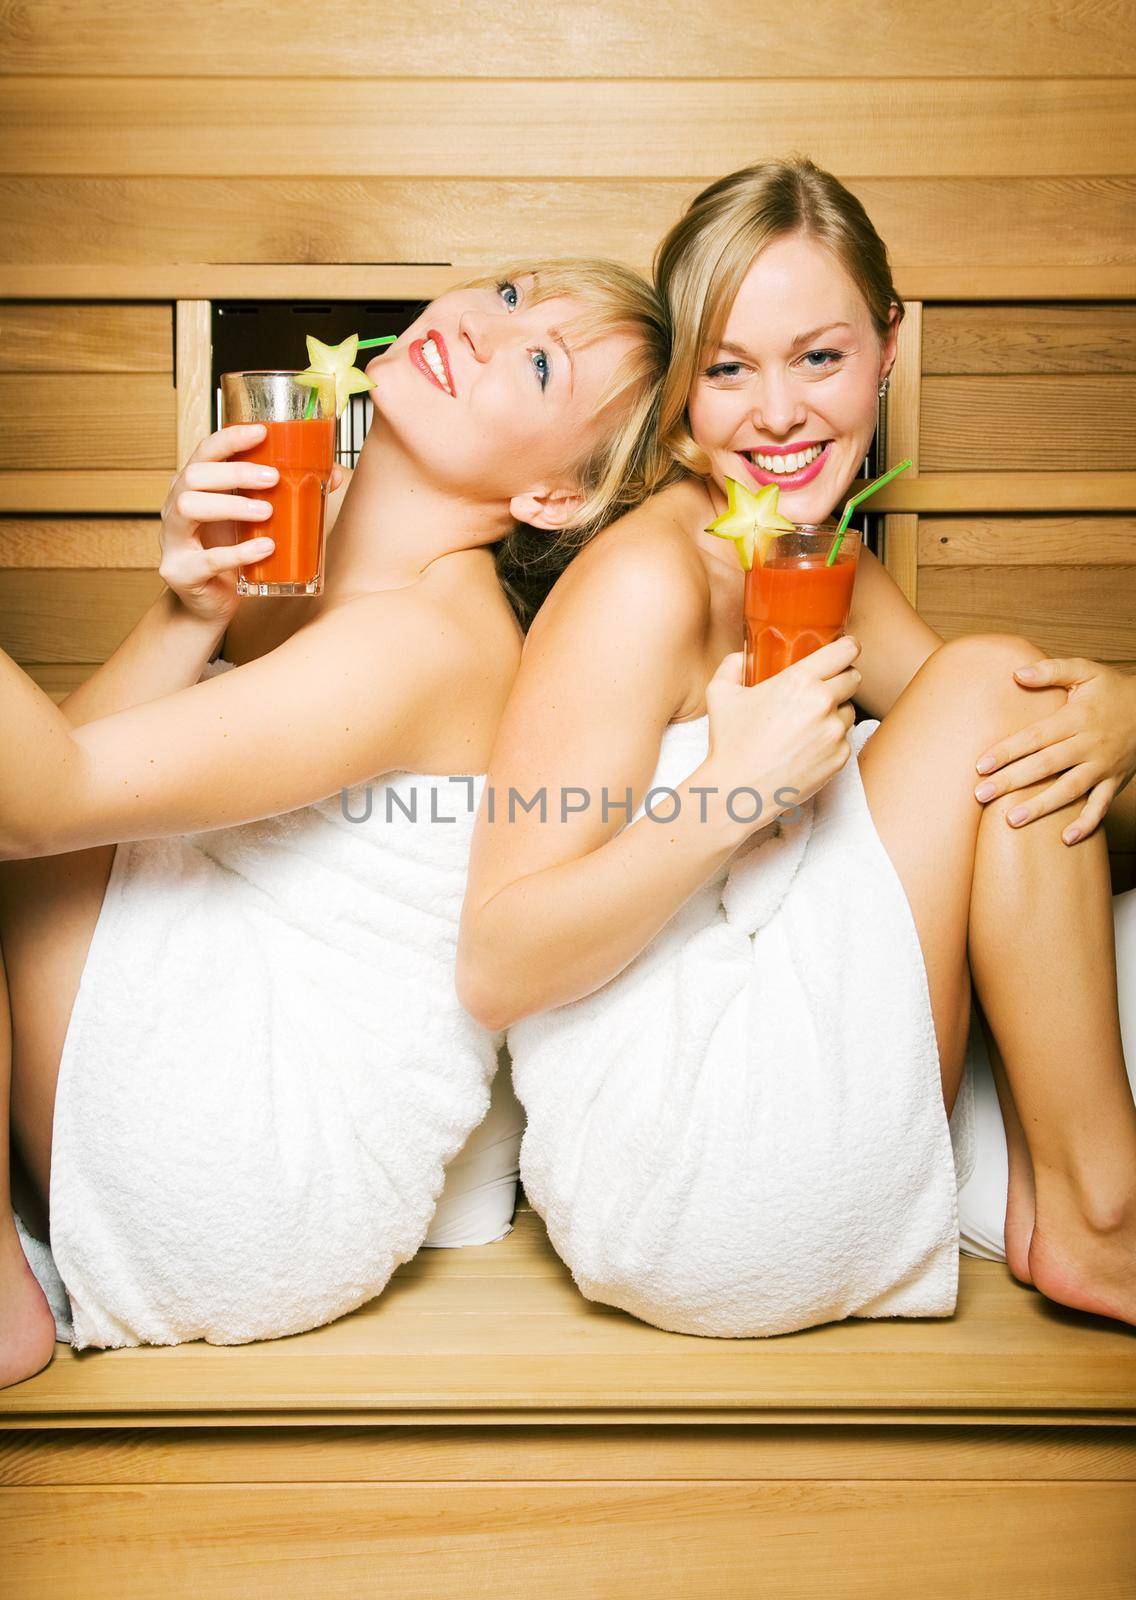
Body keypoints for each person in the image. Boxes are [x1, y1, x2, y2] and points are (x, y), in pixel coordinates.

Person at [456, 160, 1136, 1337]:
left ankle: (1076, 1198)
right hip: (683, 1167)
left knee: (1008, 695)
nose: (776, 412)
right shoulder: (643, 581)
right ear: (679, 389)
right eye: (726, 369)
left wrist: (1123, 718)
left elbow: (1050, 817)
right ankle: (1099, 1214)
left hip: (797, 1140)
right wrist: (725, 799)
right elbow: (494, 964)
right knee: (989, 677)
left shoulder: (820, 569)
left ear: (887, 346)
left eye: (817, 357)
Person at [0, 259, 673, 1390]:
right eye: (510, 295)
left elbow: (40, 807)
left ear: (553, 499)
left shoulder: (427, 637)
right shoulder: (309, 540)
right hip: (225, 1134)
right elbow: (51, 814)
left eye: (542, 361)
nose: (484, 328)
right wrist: (191, 611)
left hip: (259, 1169)